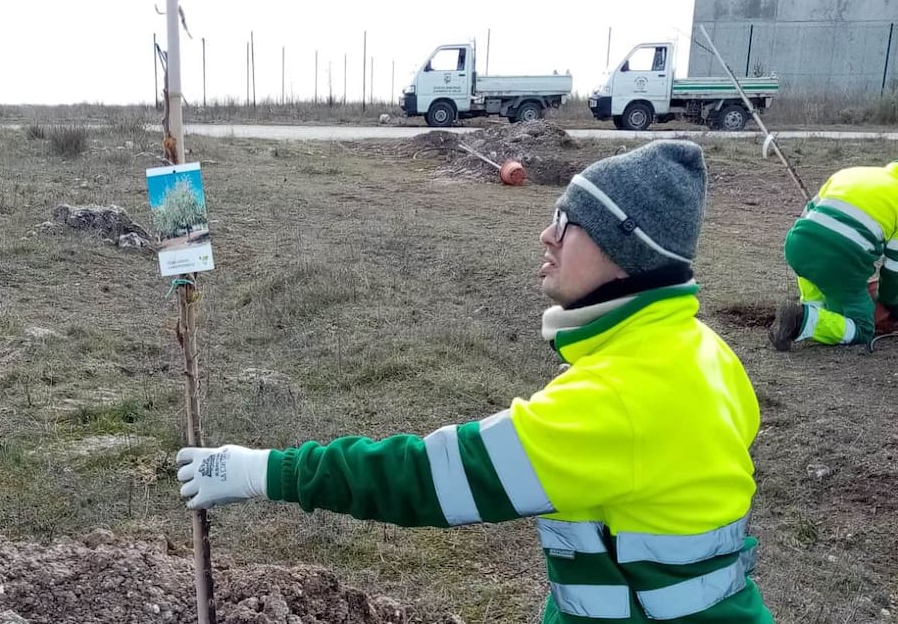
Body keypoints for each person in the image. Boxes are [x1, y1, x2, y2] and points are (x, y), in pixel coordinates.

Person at [177, 141, 773, 623]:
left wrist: (261, 471)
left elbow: (434, 476)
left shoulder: (619, 398)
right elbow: (630, 533)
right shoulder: (701, 351)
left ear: (625, 249)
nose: (547, 235)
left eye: (567, 221)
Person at [769, 161, 898, 350]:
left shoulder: (852, 173)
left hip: (798, 246)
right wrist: (891, 305)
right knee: (862, 328)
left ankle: (812, 309)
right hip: (839, 263)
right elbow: (894, 272)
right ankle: (802, 319)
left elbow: (807, 213)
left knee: (825, 297)